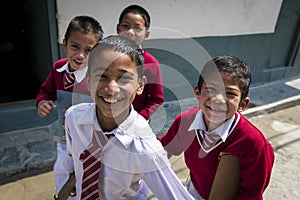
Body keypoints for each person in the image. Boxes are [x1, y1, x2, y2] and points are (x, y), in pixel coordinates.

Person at [63, 35, 194, 199]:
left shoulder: (145, 148)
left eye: (123, 78)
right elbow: (75, 159)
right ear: (88, 80)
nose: (111, 88)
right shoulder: (74, 118)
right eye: (102, 76)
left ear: (140, 85)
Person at [158, 55, 275, 200]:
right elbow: (163, 150)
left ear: (242, 104)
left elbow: (251, 194)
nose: (218, 100)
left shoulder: (253, 143)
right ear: (197, 92)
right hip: (192, 192)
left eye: (230, 94)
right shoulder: (186, 121)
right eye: (211, 89)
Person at [35, 15, 104, 198]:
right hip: (64, 139)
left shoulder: (99, 77)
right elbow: (45, 91)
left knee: (89, 180)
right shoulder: (59, 69)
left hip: (91, 143)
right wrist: (42, 102)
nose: (80, 55)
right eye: (75, 46)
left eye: (89, 50)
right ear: (64, 44)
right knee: (62, 174)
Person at [116, 4, 164, 120]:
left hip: (136, 121)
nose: (130, 32)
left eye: (137, 28)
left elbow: (156, 99)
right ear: (118, 29)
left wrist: (140, 117)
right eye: (125, 26)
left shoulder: (151, 63)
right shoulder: (108, 57)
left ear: (146, 34)